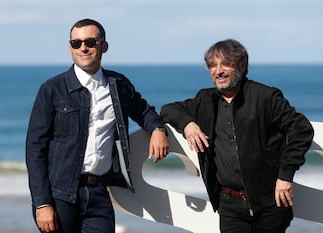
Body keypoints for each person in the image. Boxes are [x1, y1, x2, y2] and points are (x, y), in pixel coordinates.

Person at [25, 18, 169, 233]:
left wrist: (158, 130)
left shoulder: (118, 85)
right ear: (70, 48)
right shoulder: (52, 89)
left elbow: (144, 111)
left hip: (100, 193)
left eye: (90, 42)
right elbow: (35, 149)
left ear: (104, 46)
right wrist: (42, 203)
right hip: (61, 195)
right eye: (76, 43)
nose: (83, 48)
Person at [161, 39, 314, 233]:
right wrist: (187, 124)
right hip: (228, 204)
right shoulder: (205, 99)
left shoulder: (266, 97)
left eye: (226, 64)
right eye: (213, 66)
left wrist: (285, 175)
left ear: (242, 66)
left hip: (269, 202)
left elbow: (301, 129)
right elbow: (168, 110)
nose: (219, 71)